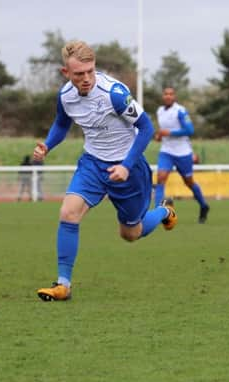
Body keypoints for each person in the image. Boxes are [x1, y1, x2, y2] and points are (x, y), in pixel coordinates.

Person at [33, 41, 177, 302]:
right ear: (66, 73)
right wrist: (48, 145)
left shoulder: (115, 94)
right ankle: (63, 284)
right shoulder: (65, 96)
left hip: (128, 169)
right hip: (92, 164)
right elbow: (61, 125)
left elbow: (146, 129)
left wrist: (126, 165)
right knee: (68, 213)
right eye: (79, 74)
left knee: (131, 234)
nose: (86, 78)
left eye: (90, 71)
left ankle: (165, 211)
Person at [154, 87, 210, 223]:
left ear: (174, 96)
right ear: (163, 96)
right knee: (160, 178)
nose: (168, 96)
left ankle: (204, 205)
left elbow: (190, 130)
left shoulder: (180, 111)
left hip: (183, 152)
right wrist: (159, 136)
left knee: (189, 182)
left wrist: (170, 133)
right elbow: (163, 131)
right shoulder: (160, 111)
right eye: (166, 94)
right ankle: (158, 212)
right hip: (166, 151)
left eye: (171, 94)